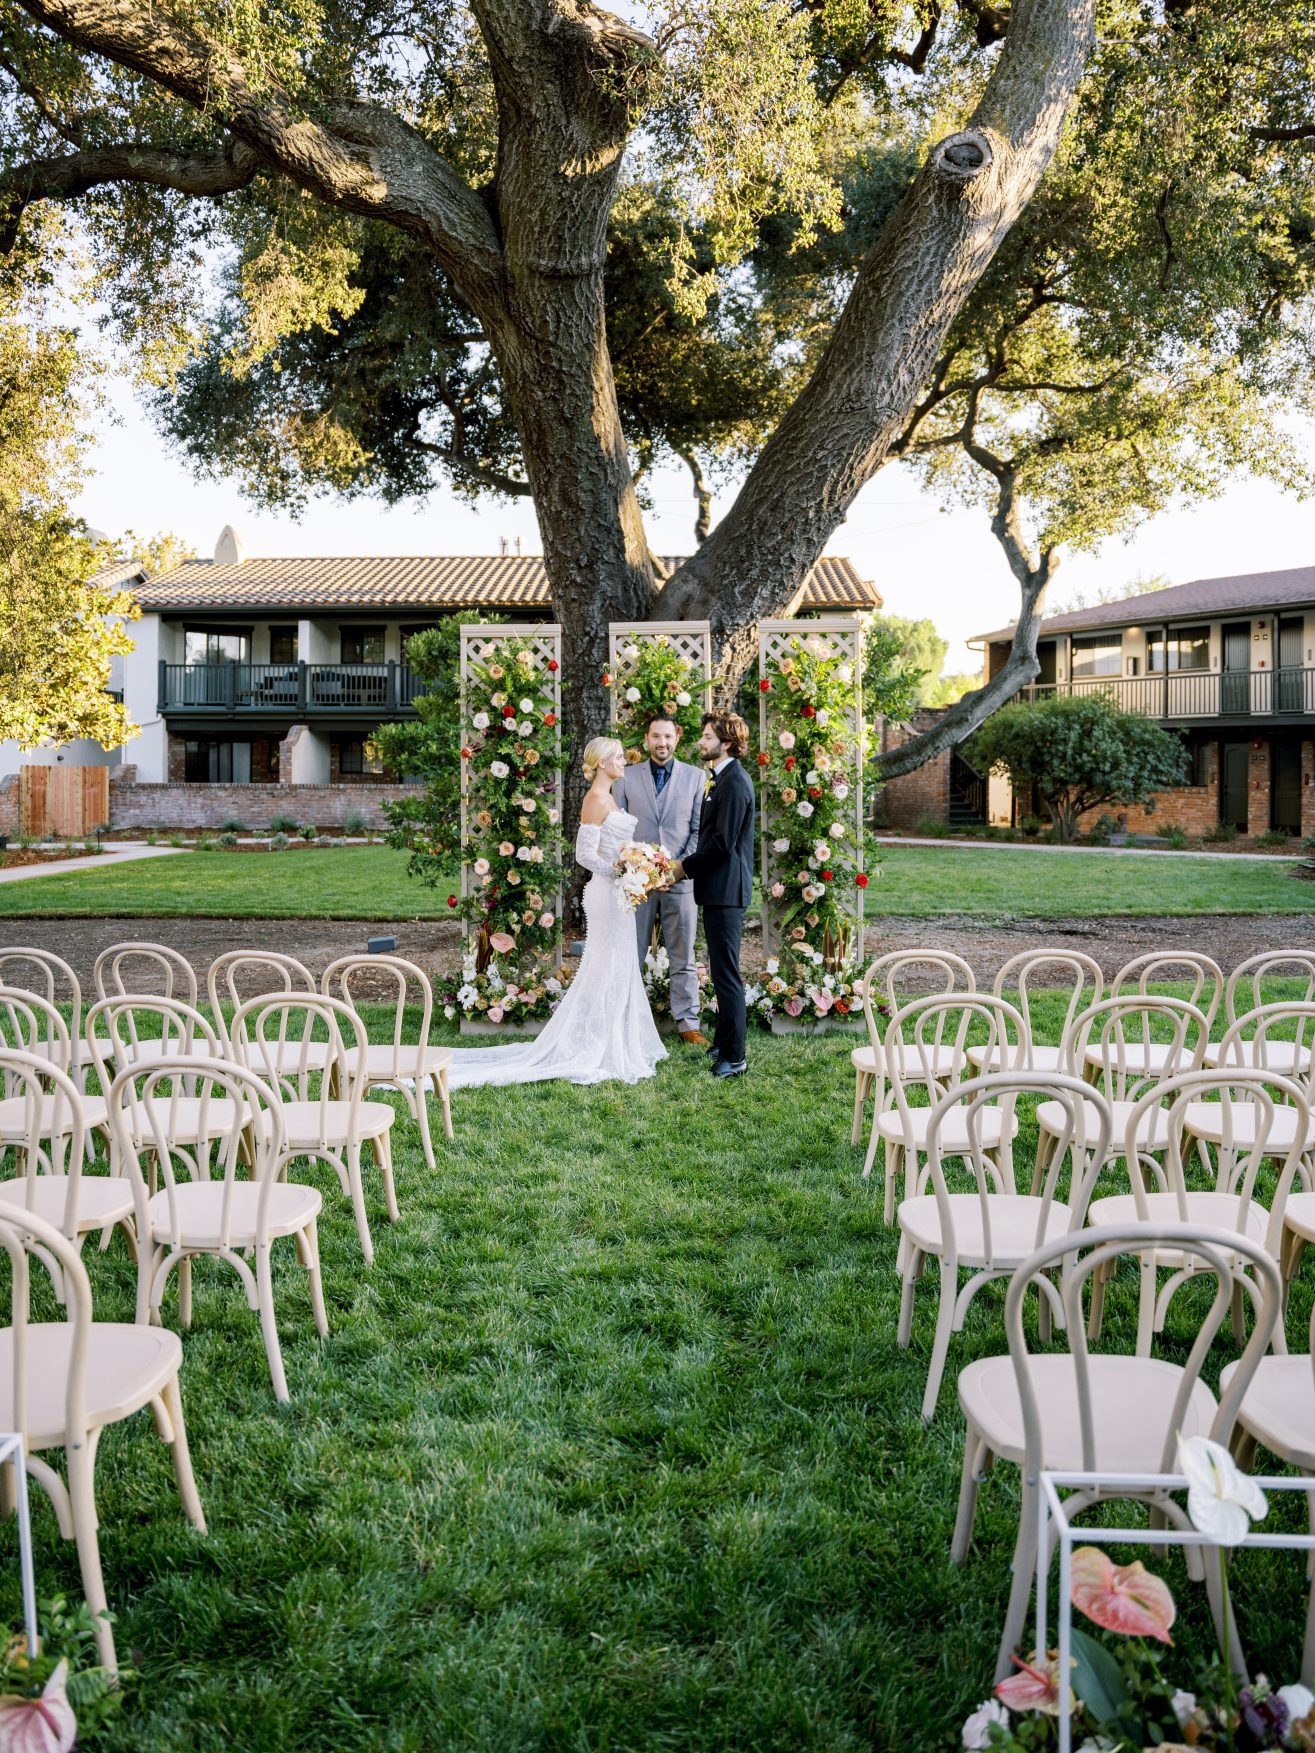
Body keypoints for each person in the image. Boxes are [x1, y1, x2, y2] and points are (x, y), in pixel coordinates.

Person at [443, 735, 667, 1089]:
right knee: (606, 963)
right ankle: (597, 1044)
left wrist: (634, 868)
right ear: (604, 762)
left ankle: (615, 1041)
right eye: (620, 757)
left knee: (619, 962)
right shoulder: (595, 799)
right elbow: (584, 854)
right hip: (606, 892)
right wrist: (622, 870)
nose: (625, 761)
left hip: (618, 893)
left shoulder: (609, 797)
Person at [669, 712, 755, 1080]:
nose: (701, 742)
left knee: (727, 975)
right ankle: (722, 1043)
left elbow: (720, 845)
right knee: (720, 973)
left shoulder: (735, 783)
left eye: (707, 737)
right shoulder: (718, 779)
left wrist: (681, 868)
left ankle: (735, 1057)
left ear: (727, 743)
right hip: (717, 891)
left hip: (727, 892)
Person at [612, 714, 706, 1045]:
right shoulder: (626, 777)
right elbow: (619, 827)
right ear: (646, 738)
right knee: (630, 952)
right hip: (636, 883)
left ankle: (688, 1024)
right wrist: (637, 870)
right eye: (655, 736)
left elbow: (698, 829)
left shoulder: (696, 778)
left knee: (683, 955)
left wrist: (678, 868)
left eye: (667, 736)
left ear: (677, 737)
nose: (661, 743)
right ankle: (627, 1021)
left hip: (681, 880)